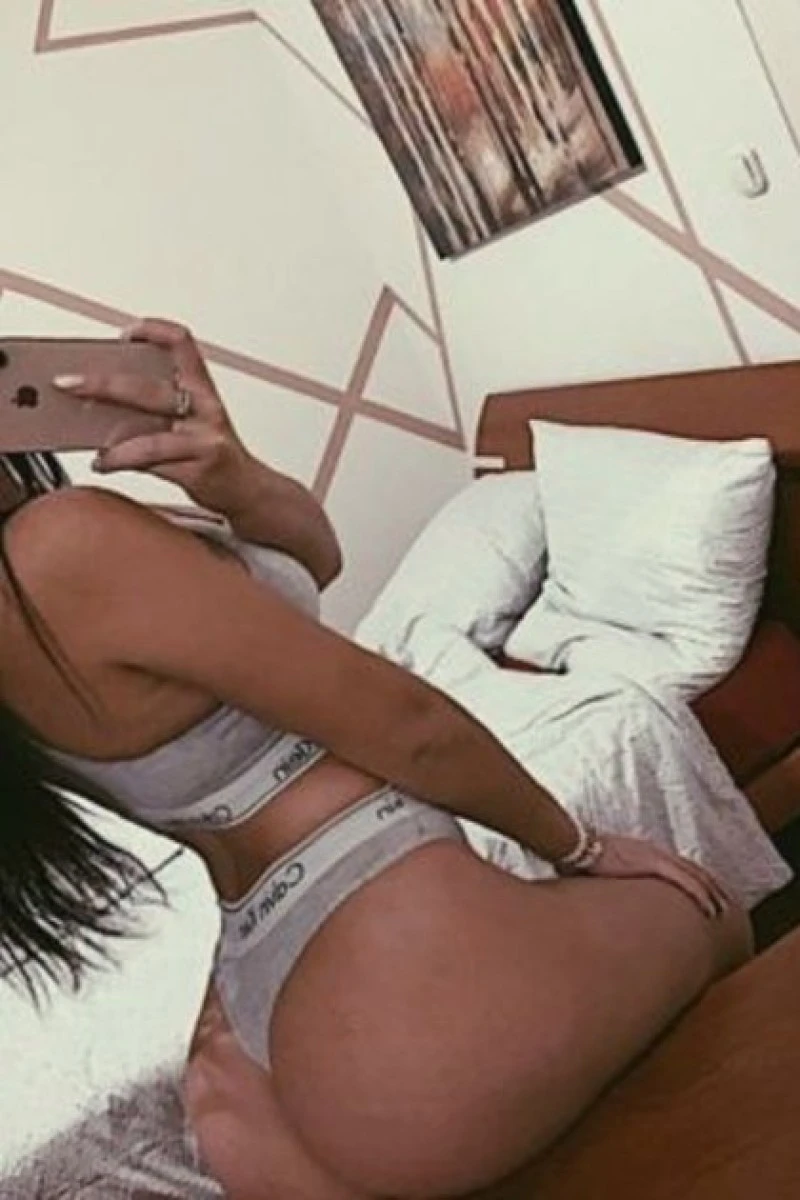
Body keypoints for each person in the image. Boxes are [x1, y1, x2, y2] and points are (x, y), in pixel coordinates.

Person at [0, 319, 751, 1200]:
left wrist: (237, 478)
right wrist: (579, 844)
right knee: (709, 910)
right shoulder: (60, 544)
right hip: (388, 976)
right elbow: (409, 722)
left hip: (248, 1013)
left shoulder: (47, 560)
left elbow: (311, 565)